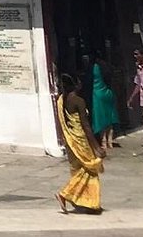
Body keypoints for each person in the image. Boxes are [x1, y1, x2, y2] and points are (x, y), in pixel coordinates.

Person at [54, 73, 105, 213]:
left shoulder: (61, 100)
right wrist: (96, 147)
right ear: (77, 85)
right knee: (90, 169)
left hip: (71, 141)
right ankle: (65, 194)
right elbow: (86, 126)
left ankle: (83, 201)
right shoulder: (78, 101)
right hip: (81, 140)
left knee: (79, 170)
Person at [88, 57, 120, 150]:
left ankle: (103, 141)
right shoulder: (106, 67)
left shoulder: (94, 67)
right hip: (108, 93)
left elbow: (88, 80)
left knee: (100, 119)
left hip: (97, 94)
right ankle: (110, 141)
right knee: (109, 118)